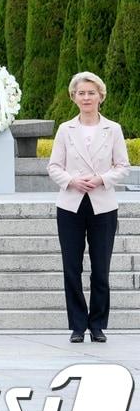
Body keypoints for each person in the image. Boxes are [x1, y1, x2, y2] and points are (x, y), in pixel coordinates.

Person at [47, 71, 130, 343]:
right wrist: (72, 180)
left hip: (103, 205)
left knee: (101, 268)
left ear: (100, 96)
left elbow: (123, 167)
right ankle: (77, 325)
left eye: (91, 93)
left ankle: (97, 324)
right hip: (70, 205)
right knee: (72, 266)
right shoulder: (65, 129)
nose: (86, 97)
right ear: (73, 97)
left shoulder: (113, 129)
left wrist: (101, 179)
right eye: (81, 93)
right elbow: (54, 167)